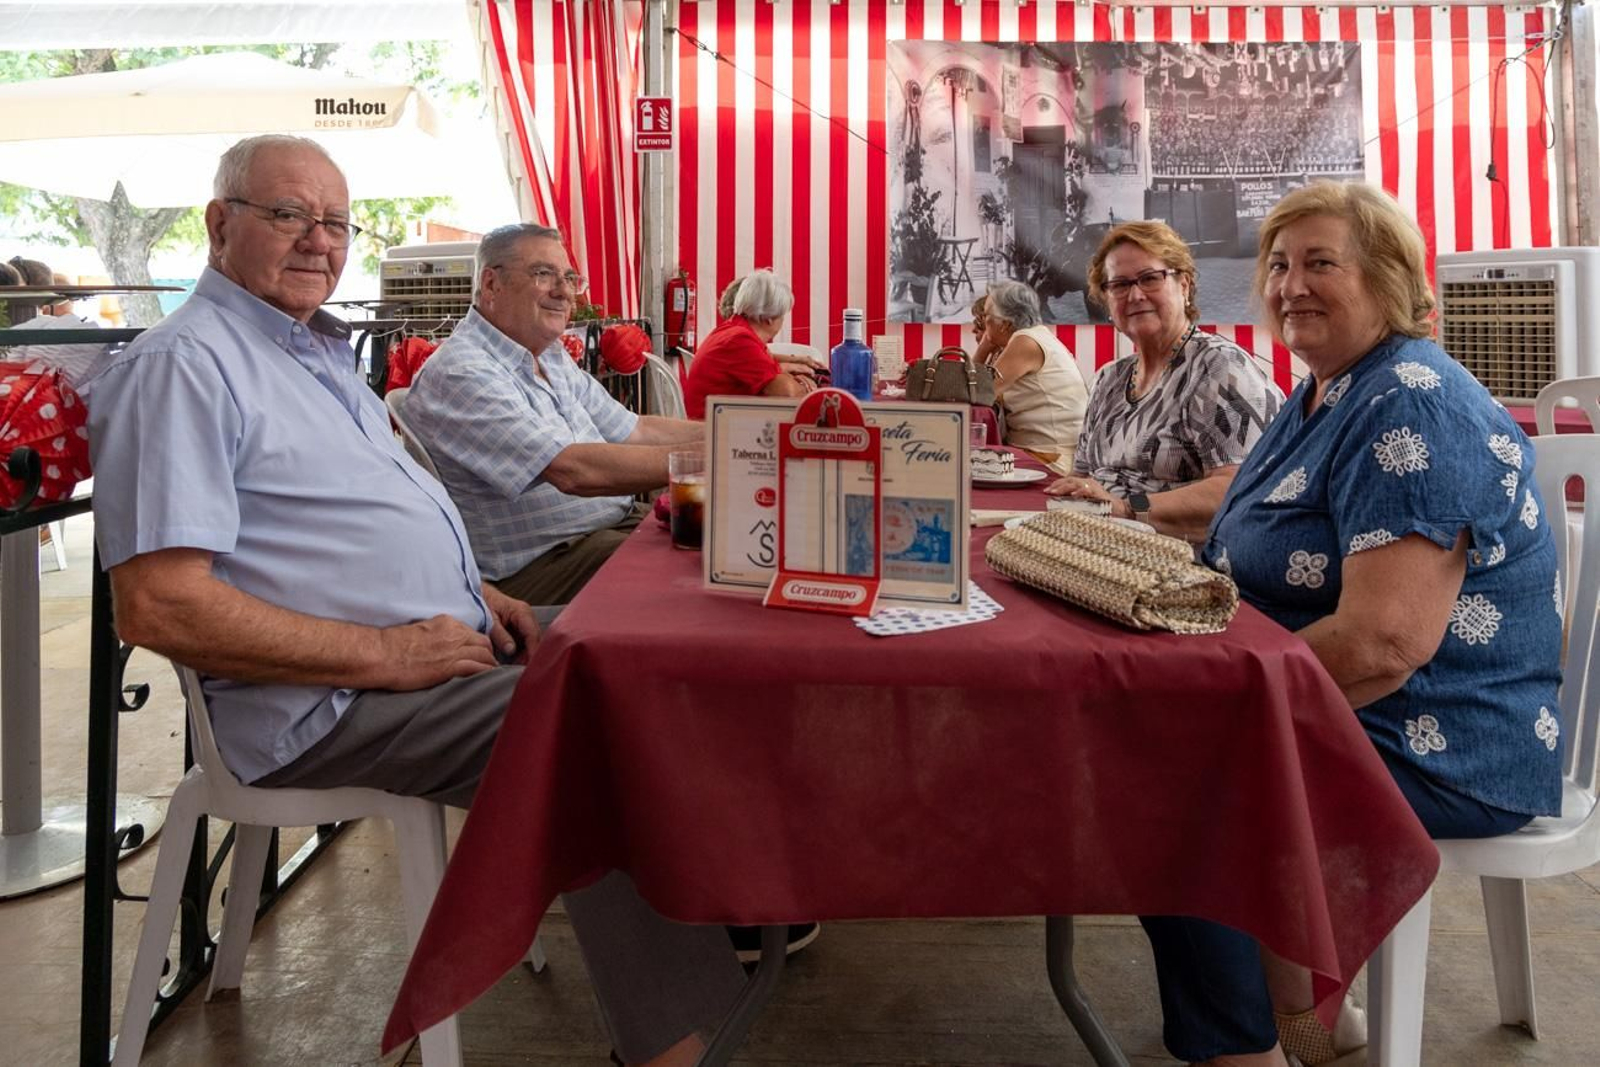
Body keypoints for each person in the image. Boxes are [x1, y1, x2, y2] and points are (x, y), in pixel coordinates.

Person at [83, 135, 744, 1067]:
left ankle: (725, 904)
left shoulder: (309, 352)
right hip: (330, 703)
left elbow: (366, 515)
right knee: (597, 717)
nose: (319, 239)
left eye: (335, 222)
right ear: (219, 223)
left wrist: (479, 590)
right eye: (288, 214)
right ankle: (673, 1046)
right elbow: (160, 607)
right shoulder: (184, 364)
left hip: (438, 646)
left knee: (660, 647)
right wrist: (387, 654)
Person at [1147, 181, 1564, 1067]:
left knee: (1166, 778)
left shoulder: (1412, 402)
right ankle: (1294, 1009)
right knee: (1153, 733)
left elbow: (1385, 644)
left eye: (1321, 263)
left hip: (1444, 733)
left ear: (1388, 277)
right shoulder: (1327, 391)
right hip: (1360, 706)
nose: (1290, 284)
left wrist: (1221, 699)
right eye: (1278, 264)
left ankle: (1248, 1046)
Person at [406, 223, 705, 608]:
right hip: (542, 567)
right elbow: (571, 471)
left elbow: (636, 429)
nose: (564, 292)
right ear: (491, 284)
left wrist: (731, 433)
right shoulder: (462, 371)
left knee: (721, 542)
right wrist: (714, 457)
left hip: (605, 532)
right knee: (701, 570)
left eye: (568, 278)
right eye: (543, 274)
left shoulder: (547, 355)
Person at [1044, 221, 1283, 541]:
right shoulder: (1108, 379)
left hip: (1179, 559)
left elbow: (1240, 488)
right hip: (1098, 544)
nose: (1135, 295)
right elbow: (1083, 475)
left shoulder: (1219, 368)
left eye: (1150, 278)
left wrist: (1126, 508)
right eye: (1119, 285)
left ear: (1184, 285)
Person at [978, 279, 1089, 475]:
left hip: (1049, 456)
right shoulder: (1035, 336)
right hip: (1048, 450)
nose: (982, 321)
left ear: (1004, 324)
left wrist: (983, 347)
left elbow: (979, 392)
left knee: (969, 469)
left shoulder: (1025, 341)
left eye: (985, 316)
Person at [682, 269, 823, 419]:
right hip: (712, 427)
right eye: (782, 316)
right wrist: (806, 386)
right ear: (769, 319)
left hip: (716, 419)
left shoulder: (733, 331)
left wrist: (792, 365)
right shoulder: (740, 340)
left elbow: (766, 358)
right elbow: (787, 393)